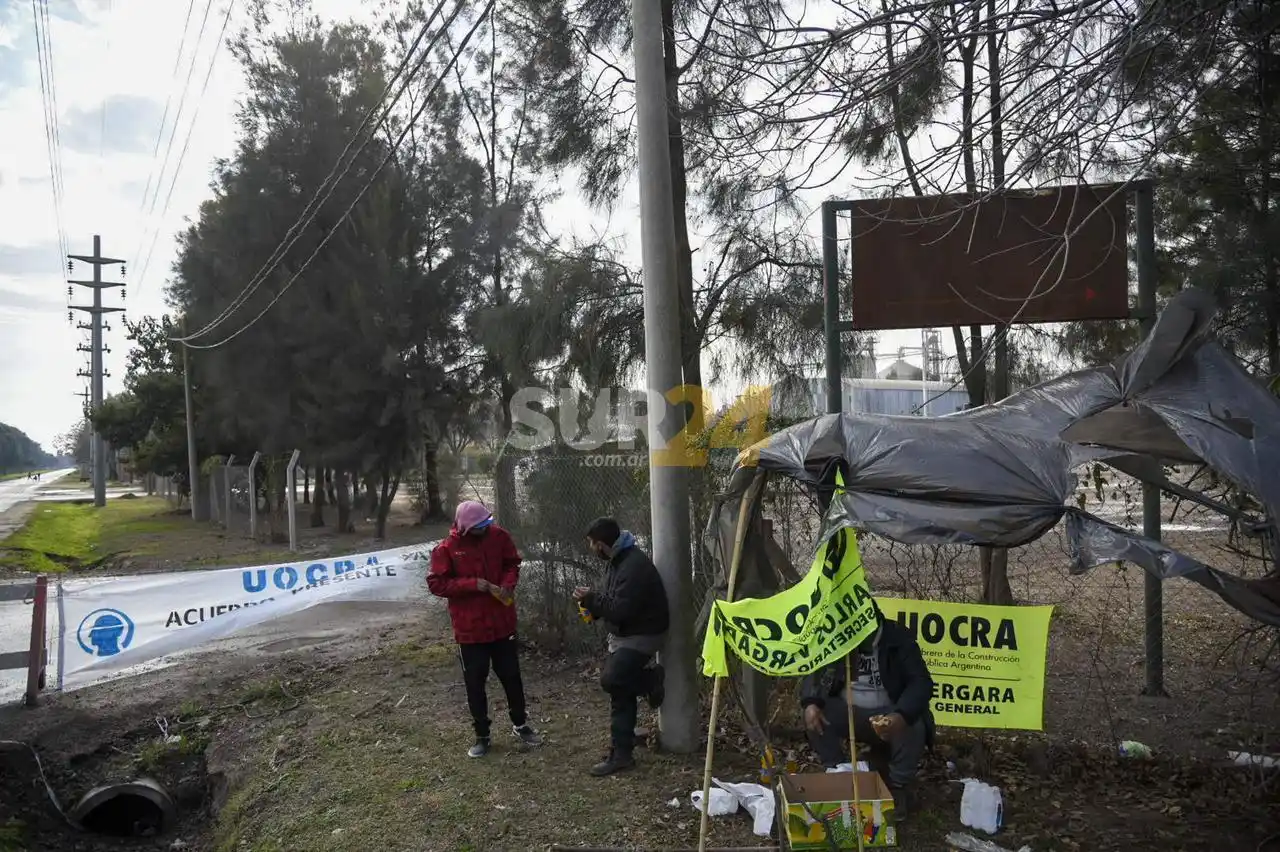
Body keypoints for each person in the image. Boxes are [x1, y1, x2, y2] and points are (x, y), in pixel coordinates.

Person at [428, 500, 541, 758]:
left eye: (487, 523)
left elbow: (512, 563)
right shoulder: (447, 549)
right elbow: (437, 584)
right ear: (466, 527)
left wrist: (507, 583)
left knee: (511, 676)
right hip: (470, 630)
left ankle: (521, 724)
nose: (486, 528)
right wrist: (471, 585)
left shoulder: (499, 536)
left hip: (501, 624)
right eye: (480, 526)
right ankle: (482, 735)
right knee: (475, 683)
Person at [799, 602, 934, 816]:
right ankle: (838, 771)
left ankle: (898, 786)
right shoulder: (838, 636)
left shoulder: (898, 639)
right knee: (815, 714)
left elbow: (921, 683)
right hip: (848, 712)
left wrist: (900, 715)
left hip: (889, 713)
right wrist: (810, 702)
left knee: (914, 723)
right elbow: (814, 671)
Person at [573, 517, 669, 776]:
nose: (592, 549)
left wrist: (593, 600)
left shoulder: (633, 565)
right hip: (628, 632)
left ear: (602, 544)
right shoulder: (619, 560)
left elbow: (620, 610)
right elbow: (614, 601)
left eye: (593, 544)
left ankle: (650, 680)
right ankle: (622, 753)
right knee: (621, 690)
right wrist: (591, 604)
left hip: (643, 634)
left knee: (613, 679)